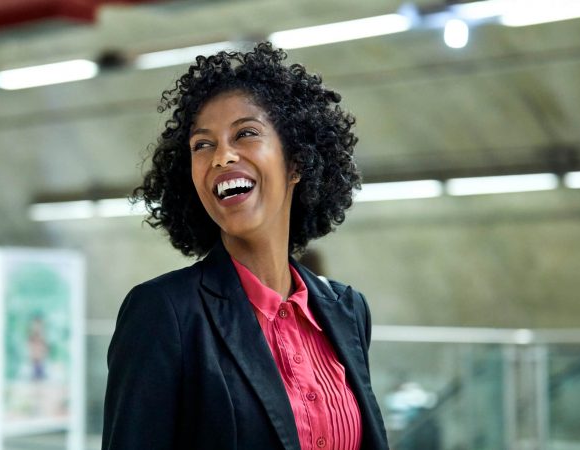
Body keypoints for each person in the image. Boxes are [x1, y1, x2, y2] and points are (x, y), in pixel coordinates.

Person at [102, 42, 388, 450]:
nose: (222, 156)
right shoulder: (164, 314)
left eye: (246, 133)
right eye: (203, 144)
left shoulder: (347, 310)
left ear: (297, 162)